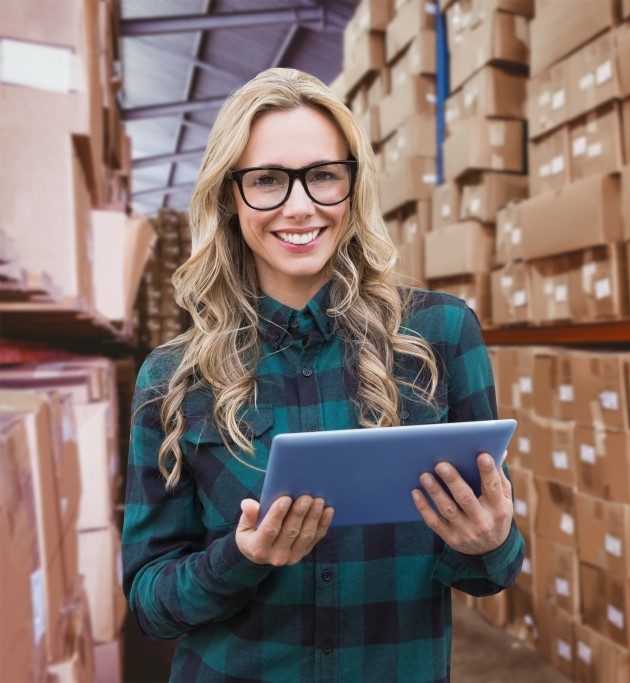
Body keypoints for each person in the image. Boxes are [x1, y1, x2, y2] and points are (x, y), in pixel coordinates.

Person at [122, 67, 524, 682]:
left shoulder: (440, 337)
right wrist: (241, 558)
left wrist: (491, 542)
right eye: (267, 181)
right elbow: (151, 603)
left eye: (323, 176)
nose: (300, 205)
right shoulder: (174, 376)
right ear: (230, 198)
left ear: (352, 186)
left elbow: (487, 569)